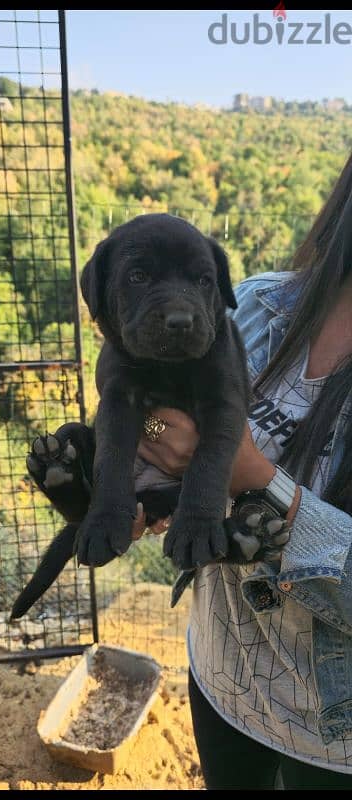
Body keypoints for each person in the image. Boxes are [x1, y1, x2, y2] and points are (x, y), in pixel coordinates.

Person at [134, 150, 352, 790]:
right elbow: (150, 413)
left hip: (332, 738)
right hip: (222, 676)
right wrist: (149, 449)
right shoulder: (256, 305)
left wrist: (254, 476)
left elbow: (235, 469)